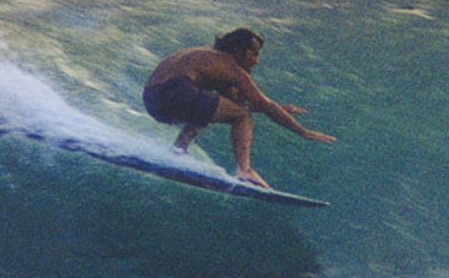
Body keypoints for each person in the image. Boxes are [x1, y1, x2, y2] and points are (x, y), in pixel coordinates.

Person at [143, 28, 336, 188]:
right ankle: (244, 170)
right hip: (175, 92)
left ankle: (177, 151)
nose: (255, 61)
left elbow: (234, 105)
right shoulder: (228, 65)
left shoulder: (206, 57)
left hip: (153, 100)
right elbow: (258, 105)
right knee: (240, 116)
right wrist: (303, 132)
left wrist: (279, 108)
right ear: (237, 50)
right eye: (253, 54)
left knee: (209, 109)